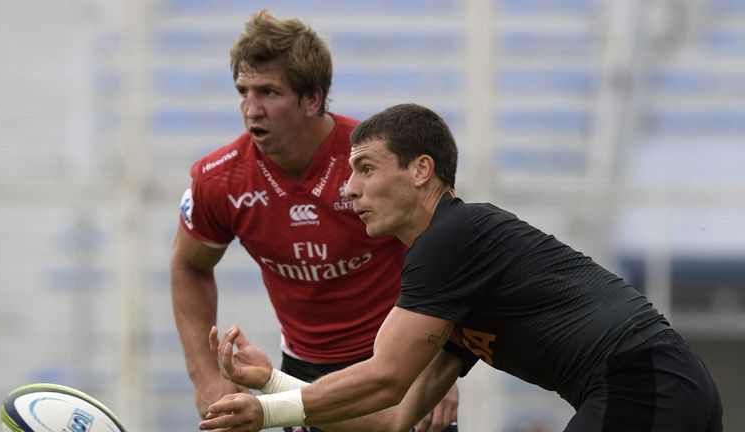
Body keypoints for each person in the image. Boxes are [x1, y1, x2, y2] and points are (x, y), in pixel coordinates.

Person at [198, 103, 724, 432]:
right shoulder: (451, 266)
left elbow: (383, 378)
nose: (348, 188)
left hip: (641, 382)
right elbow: (393, 418)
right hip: (666, 385)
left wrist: (267, 414)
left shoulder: (449, 238)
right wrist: (270, 383)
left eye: (365, 169)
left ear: (422, 170)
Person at [170, 11, 460, 432]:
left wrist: (441, 366)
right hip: (302, 374)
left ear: (312, 99)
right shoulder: (219, 181)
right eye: (243, 91)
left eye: (269, 92)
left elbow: (449, 254)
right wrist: (207, 379)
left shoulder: (377, 161)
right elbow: (189, 265)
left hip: (400, 362)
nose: (252, 109)